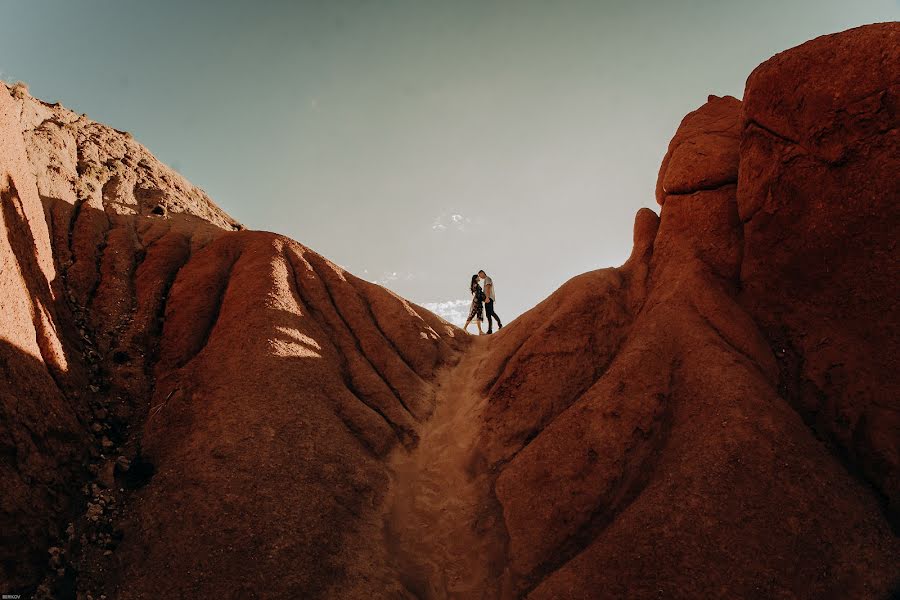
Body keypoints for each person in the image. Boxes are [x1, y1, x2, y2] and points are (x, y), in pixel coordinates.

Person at [478, 269, 503, 334]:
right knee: (488, 315)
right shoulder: (486, 280)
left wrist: (487, 298)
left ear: (483, 273)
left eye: (480, 275)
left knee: (491, 312)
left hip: (489, 298)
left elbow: (488, 288)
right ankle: (490, 330)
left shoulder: (487, 279)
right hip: (487, 299)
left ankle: (500, 325)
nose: (480, 277)